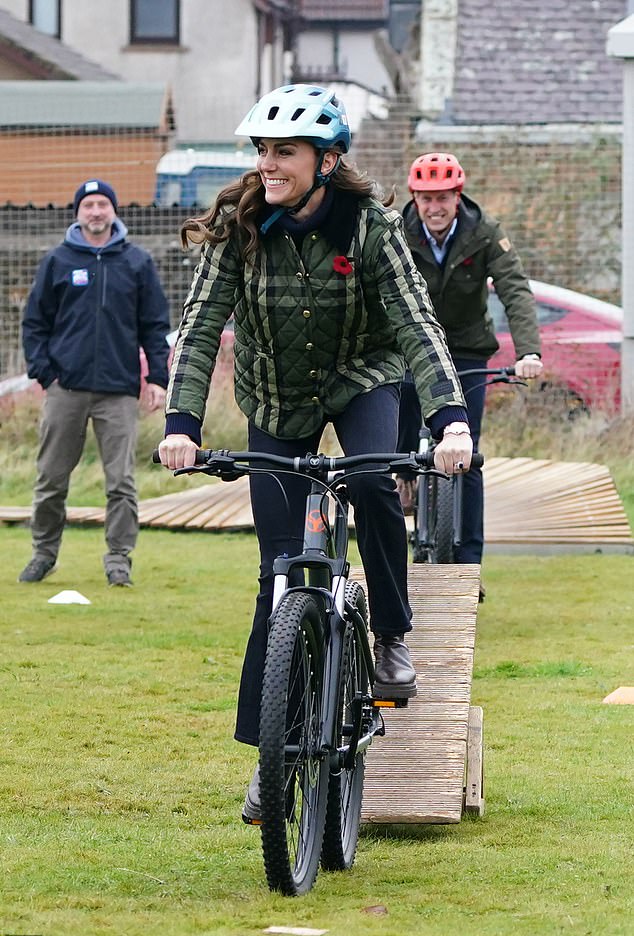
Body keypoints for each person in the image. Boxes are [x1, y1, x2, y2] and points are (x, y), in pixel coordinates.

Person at [157, 85, 472, 821]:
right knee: (277, 574)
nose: (269, 164)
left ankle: (391, 630)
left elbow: (416, 324)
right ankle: (273, 755)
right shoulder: (244, 224)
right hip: (276, 397)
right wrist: (181, 421)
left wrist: (450, 418)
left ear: (327, 161)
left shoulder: (368, 225)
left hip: (363, 377)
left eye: (285, 152)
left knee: (370, 485)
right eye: (262, 151)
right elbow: (202, 326)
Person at [398, 152, 543, 587]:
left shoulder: (484, 233)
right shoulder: (396, 232)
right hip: (409, 345)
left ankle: (468, 564)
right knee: (399, 408)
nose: (434, 208)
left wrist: (529, 351)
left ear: (457, 197)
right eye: (426, 199)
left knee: (469, 456)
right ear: (415, 200)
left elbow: (515, 289)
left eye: (443, 198)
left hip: (465, 349)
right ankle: (404, 475)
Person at [19, 178, 170, 587]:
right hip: (64, 389)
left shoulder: (136, 262)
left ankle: (118, 559)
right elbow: (34, 324)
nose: (96, 212)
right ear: (78, 213)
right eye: (89, 206)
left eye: (103, 204)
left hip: (118, 391)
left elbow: (154, 326)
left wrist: (156, 378)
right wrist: (45, 373)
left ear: (114, 211)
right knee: (51, 479)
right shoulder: (58, 261)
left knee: (120, 482)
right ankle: (43, 554)